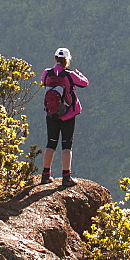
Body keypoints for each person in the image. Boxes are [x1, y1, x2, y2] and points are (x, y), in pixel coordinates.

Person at [40, 47, 88, 187]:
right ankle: (66, 177)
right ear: (67, 60)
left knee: (51, 142)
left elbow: (43, 83)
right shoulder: (70, 75)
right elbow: (85, 83)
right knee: (66, 145)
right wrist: (79, 74)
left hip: (51, 113)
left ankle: (45, 175)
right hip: (68, 114)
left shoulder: (46, 73)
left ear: (55, 59)